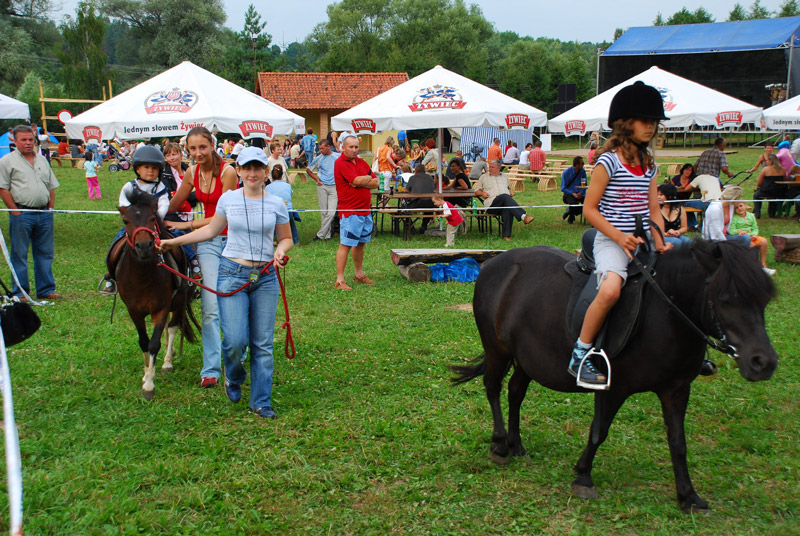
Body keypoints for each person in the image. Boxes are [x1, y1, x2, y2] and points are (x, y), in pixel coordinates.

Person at [160, 147, 292, 419]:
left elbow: (286, 237)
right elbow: (210, 230)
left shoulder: (277, 203)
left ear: (266, 172)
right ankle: (233, 376)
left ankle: (261, 401)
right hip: (232, 273)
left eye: (258, 168)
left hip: (265, 277)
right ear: (239, 171)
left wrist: (281, 251)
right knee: (234, 341)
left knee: (263, 343)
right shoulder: (228, 200)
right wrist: (173, 241)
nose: (252, 173)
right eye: (247, 168)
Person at [569, 81, 670, 387]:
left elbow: (654, 210)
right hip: (611, 239)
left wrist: (661, 240)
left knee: (681, 276)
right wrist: (618, 236)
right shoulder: (608, 162)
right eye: (645, 121)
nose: (651, 127)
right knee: (611, 289)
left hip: (642, 237)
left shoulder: (648, 164)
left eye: (654, 122)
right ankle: (581, 353)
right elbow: (590, 210)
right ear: (626, 124)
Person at [167, 126, 239, 389]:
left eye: (202, 147)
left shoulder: (228, 172)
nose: (197, 153)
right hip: (207, 243)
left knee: (232, 300)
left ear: (212, 145)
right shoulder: (192, 171)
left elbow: (224, 217)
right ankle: (211, 369)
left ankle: (237, 356)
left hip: (232, 240)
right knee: (210, 306)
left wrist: (187, 226)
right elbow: (176, 202)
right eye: (193, 148)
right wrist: (156, 211)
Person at [0, 125, 60, 300]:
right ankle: (20, 291)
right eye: (23, 140)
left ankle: (46, 289)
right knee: (19, 254)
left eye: (30, 139)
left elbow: (50, 186)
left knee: (45, 253)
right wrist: (15, 211)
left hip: (44, 214)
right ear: (15, 141)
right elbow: (3, 188)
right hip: (22, 214)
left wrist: (50, 209)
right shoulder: (6, 161)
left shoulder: (42, 160)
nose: (28, 143)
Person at [333, 132, 378, 290]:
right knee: (345, 244)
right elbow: (356, 180)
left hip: (365, 210)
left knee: (360, 243)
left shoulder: (362, 163)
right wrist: (363, 179)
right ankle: (340, 280)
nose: (354, 149)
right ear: (343, 147)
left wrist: (361, 181)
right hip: (350, 210)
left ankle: (359, 274)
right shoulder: (340, 163)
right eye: (350, 147)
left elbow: (376, 182)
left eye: (356, 147)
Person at [474, 159, 533, 241]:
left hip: (504, 202)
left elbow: (507, 188)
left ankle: (506, 236)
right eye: (489, 167)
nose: (490, 168)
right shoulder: (484, 177)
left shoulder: (504, 177)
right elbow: (476, 191)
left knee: (508, 208)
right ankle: (523, 217)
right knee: (505, 197)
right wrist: (482, 193)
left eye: (492, 167)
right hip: (492, 205)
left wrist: (510, 192)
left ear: (499, 168)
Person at [306, 138, 339, 241]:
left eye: (322, 148)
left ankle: (320, 235)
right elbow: (308, 169)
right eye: (319, 148)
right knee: (323, 212)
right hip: (322, 187)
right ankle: (327, 235)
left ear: (328, 147)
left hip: (334, 187)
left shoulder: (337, 157)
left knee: (332, 212)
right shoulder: (319, 158)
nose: (321, 150)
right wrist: (317, 179)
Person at [730, 201, 776, 276]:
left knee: (763, 241)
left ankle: (763, 263)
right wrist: (738, 231)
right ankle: (752, 266)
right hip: (742, 237)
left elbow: (755, 228)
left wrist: (754, 234)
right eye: (736, 208)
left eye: (741, 206)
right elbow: (731, 230)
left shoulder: (751, 215)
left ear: (745, 206)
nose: (739, 209)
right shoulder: (734, 218)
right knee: (751, 245)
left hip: (752, 236)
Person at [702, 185, 752, 251]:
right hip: (714, 238)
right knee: (729, 247)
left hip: (726, 236)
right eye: (738, 198)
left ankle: (740, 256)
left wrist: (738, 231)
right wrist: (726, 243)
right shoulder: (715, 208)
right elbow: (716, 231)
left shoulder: (730, 206)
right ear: (734, 198)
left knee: (745, 238)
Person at [266, 164, 299, 245]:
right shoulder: (288, 186)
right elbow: (289, 194)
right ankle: (296, 241)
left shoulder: (268, 187)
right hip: (288, 210)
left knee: (270, 224)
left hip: (274, 212)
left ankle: (272, 240)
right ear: (282, 175)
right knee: (291, 224)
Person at [752, 154, 788, 218]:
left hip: (767, 191)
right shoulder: (783, 169)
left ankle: (757, 213)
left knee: (756, 196)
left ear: (770, 161)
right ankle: (772, 214)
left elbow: (759, 183)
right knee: (773, 197)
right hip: (780, 191)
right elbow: (784, 181)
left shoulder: (765, 169)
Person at [405, 164, 437, 234]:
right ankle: (424, 225)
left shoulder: (413, 178)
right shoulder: (430, 178)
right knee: (428, 208)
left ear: (416, 171)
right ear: (425, 171)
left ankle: (410, 226)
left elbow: (407, 191)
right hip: (430, 203)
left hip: (417, 202)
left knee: (404, 209)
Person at [560, 156, 587, 224]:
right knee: (573, 203)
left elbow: (584, 184)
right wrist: (573, 193)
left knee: (588, 204)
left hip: (580, 194)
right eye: (582, 163)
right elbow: (563, 188)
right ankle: (571, 218)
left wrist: (581, 192)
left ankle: (569, 211)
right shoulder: (566, 172)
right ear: (577, 165)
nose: (583, 165)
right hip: (569, 194)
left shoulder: (582, 172)